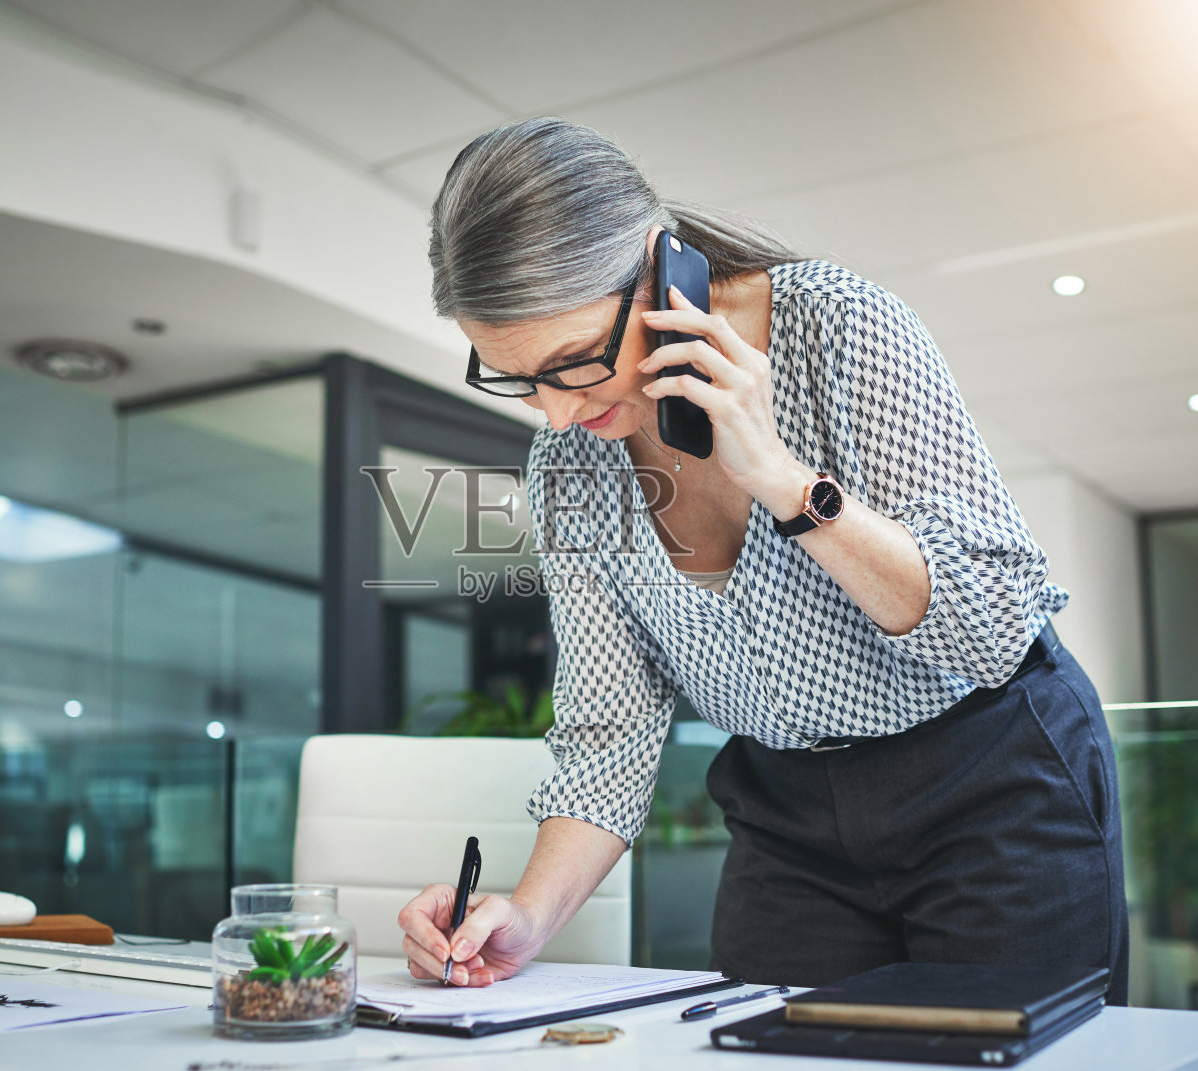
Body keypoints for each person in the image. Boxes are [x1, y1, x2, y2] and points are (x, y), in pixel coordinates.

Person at [397, 117, 1128, 1005]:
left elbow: (991, 630)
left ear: (663, 272)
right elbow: (610, 725)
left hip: (990, 778)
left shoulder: (837, 324)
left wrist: (783, 478)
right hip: (785, 812)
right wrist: (529, 916)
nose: (556, 412)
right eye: (519, 377)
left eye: (575, 362)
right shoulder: (570, 460)